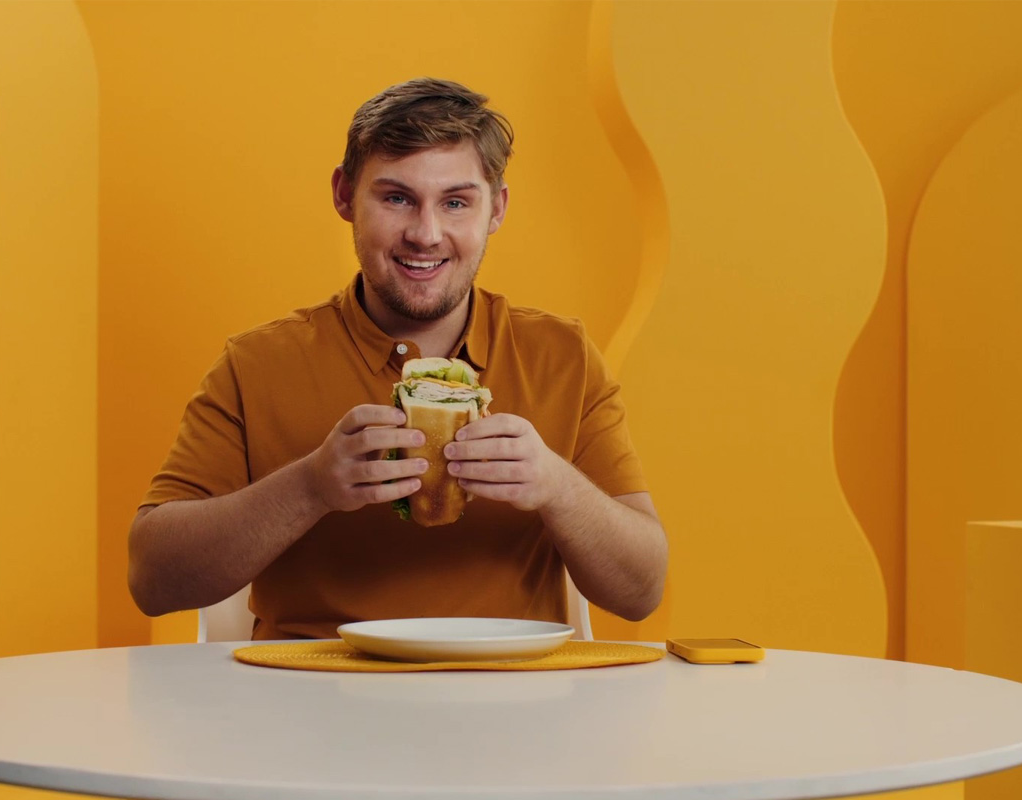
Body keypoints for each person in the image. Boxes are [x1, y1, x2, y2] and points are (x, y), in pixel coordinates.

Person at [128, 78, 668, 639]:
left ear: (496, 209)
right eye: (396, 198)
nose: (425, 234)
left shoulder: (564, 358)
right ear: (344, 196)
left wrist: (558, 487)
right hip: (303, 706)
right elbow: (153, 580)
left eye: (456, 202)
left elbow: (640, 593)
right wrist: (311, 486)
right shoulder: (255, 364)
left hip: (511, 702)